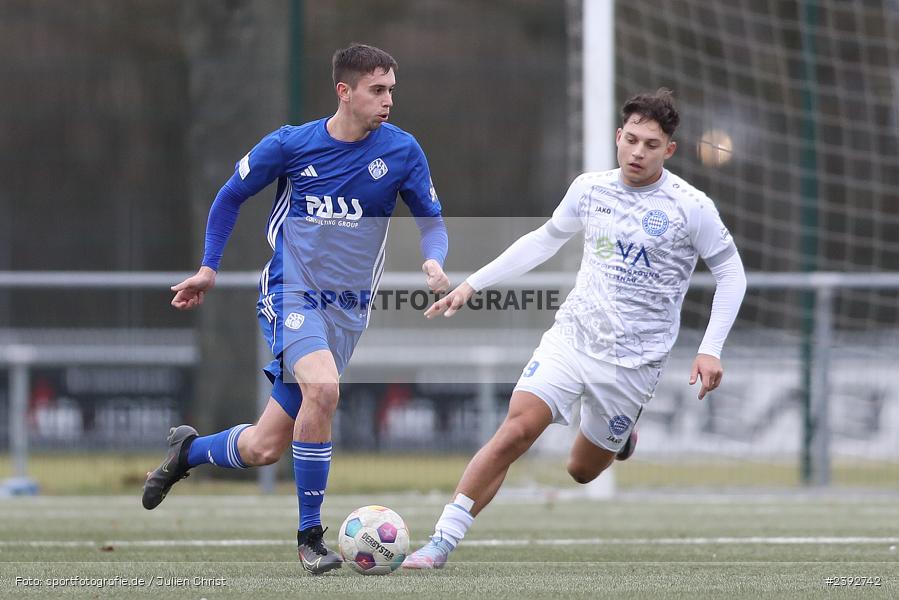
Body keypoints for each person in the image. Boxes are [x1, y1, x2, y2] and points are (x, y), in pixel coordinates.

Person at [403, 89, 746, 569]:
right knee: (516, 431)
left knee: (582, 471)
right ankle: (440, 542)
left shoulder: (692, 207)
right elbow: (544, 240)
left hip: (633, 364)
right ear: (618, 137)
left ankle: (620, 440)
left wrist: (711, 349)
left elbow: (732, 274)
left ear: (669, 150)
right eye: (631, 140)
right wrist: (471, 285)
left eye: (651, 144)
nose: (637, 152)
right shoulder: (590, 189)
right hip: (572, 338)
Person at [141, 44, 449, 575]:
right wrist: (209, 267)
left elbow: (432, 221)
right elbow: (228, 196)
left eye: (392, 90)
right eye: (378, 90)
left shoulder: (402, 152)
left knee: (263, 446)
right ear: (344, 92)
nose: (388, 100)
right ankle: (310, 537)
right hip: (291, 293)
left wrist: (433, 263)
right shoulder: (291, 144)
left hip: (348, 312)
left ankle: (187, 453)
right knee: (324, 389)